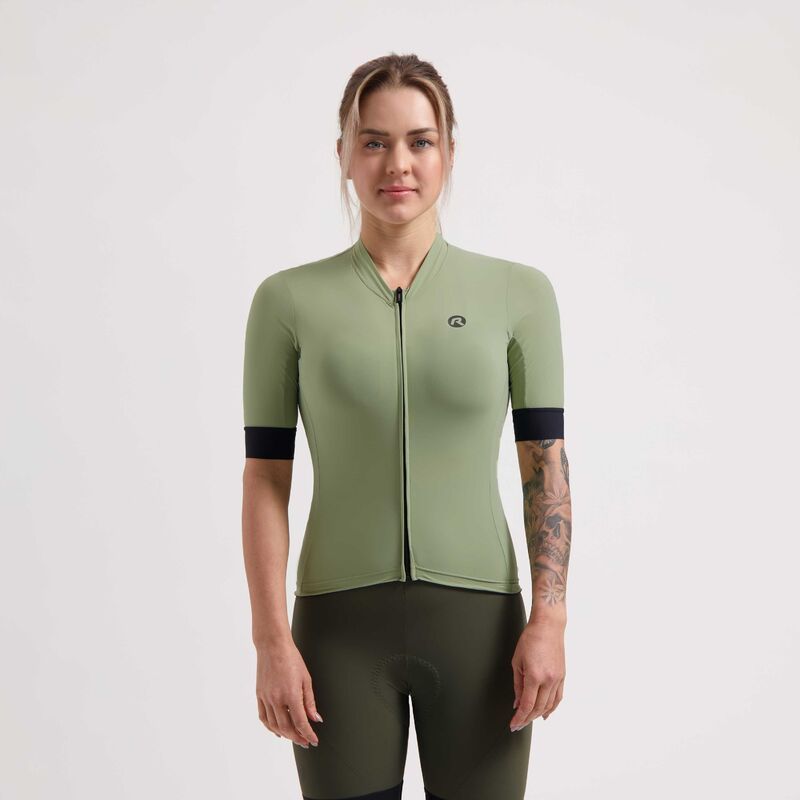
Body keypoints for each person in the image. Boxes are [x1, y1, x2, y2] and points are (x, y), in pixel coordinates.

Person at [241, 53, 571, 800]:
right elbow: (265, 477)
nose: (398, 164)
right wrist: (270, 639)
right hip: (337, 632)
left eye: (420, 141)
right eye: (374, 141)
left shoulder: (518, 295)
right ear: (343, 154)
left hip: (481, 629)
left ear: (448, 151)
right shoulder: (287, 302)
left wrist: (549, 621)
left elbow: (545, 464)